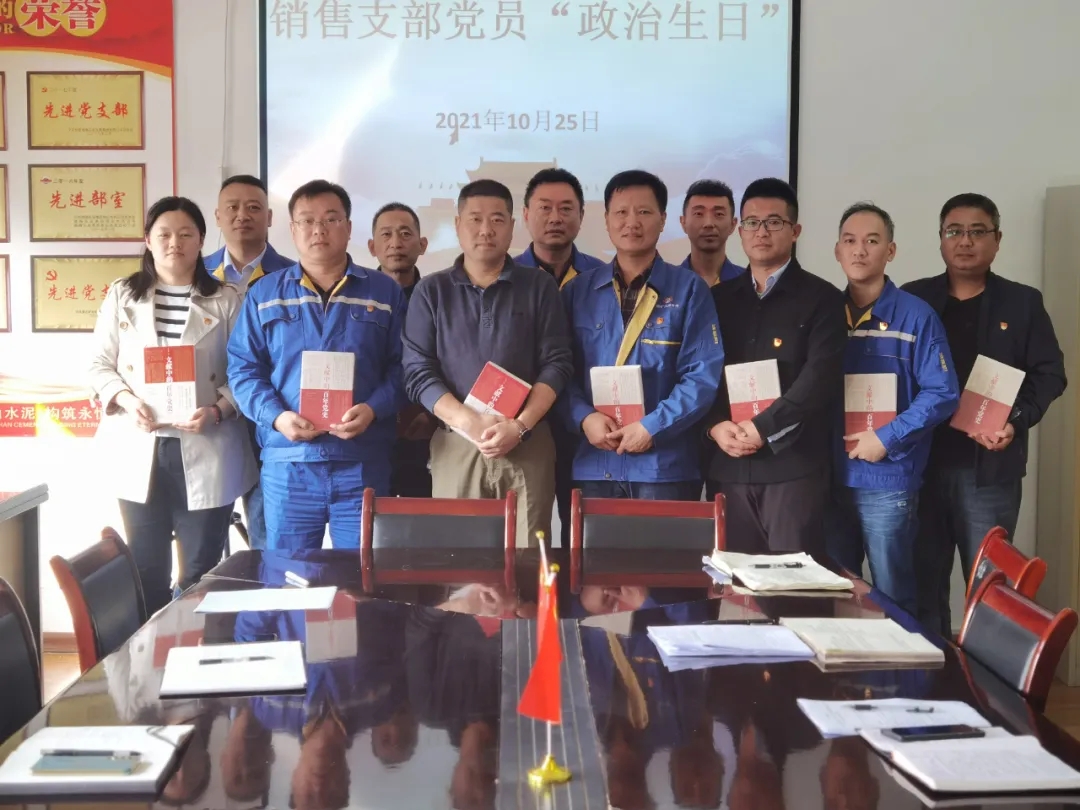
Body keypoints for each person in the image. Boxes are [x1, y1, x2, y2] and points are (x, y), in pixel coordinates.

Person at [904, 193, 1066, 635]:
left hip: (988, 471)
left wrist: (1016, 419)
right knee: (921, 586)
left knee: (991, 592)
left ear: (997, 240)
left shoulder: (1022, 303)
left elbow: (1051, 374)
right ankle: (933, 670)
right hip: (919, 467)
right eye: (954, 231)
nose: (965, 241)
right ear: (940, 239)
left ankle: (983, 677)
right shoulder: (914, 298)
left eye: (978, 232)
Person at [89, 196, 257, 615]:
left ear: (201, 240)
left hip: (207, 444)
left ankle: (196, 645)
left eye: (186, 234)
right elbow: (98, 364)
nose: (174, 243)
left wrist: (218, 409)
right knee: (146, 566)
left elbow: (248, 370)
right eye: (164, 234)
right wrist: (127, 399)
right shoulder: (123, 295)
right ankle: (152, 649)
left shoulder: (227, 298)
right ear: (148, 240)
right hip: (139, 446)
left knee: (201, 568)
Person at [227, 179, 406, 550]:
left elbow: (404, 367)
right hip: (288, 464)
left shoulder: (384, 292)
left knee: (363, 574)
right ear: (292, 229)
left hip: (362, 461)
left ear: (349, 227)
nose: (318, 230)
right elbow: (243, 369)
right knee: (290, 573)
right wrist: (277, 417)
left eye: (330, 219)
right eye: (307, 221)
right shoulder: (264, 294)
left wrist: (373, 409)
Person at [402, 179, 573, 546]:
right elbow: (417, 372)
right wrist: (470, 422)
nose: (485, 229)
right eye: (475, 219)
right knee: (461, 561)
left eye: (497, 219)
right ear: (457, 224)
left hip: (527, 442)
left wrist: (520, 426)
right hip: (456, 442)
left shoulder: (539, 287)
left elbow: (557, 364)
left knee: (530, 558)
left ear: (512, 226)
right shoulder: (431, 291)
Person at [827, 202, 959, 615]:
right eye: (850, 240)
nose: (859, 250)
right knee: (834, 594)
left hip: (887, 480)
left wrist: (886, 438)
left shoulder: (917, 316)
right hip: (827, 478)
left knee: (893, 596)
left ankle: (900, 660)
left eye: (872, 241)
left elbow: (942, 392)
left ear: (891, 250)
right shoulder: (823, 312)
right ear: (837, 250)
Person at [561, 169, 724, 501]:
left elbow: (702, 375)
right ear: (606, 220)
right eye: (621, 212)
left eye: (644, 212)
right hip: (594, 464)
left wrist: (653, 427)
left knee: (663, 540)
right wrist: (584, 418)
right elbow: (559, 370)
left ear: (663, 219)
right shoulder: (577, 292)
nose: (632, 222)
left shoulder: (690, 290)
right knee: (587, 540)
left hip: (664, 467)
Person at [705, 177, 846, 556]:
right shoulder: (717, 300)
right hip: (728, 467)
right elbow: (700, 373)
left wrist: (762, 427)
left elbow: (818, 379)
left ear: (795, 231)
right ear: (738, 229)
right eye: (752, 222)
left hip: (794, 470)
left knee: (793, 582)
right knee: (733, 583)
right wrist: (715, 425)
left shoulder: (823, 299)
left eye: (774, 222)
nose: (761, 232)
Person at [205, 174, 295, 549]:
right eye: (233, 207)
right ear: (217, 216)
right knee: (205, 537)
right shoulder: (195, 274)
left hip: (268, 415)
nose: (242, 215)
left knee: (265, 532)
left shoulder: (293, 276)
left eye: (254, 207)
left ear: (269, 217)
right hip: (209, 418)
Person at [516, 167, 605, 546]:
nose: (555, 217)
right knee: (523, 538)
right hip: (521, 427)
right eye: (545, 207)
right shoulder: (505, 277)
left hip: (586, 428)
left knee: (580, 536)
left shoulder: (602, 278)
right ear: (525, 214)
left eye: (566, 208)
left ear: (582, 216)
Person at [369, 201, 436, 498]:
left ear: (423, 244)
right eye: (386, 234)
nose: (396, 243)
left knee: (421, 517)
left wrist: (434, 414)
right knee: (369, 518)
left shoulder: (437, 296)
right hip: (369, 429)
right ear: (372, 246)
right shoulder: (356, 298)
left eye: (406, 234)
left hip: (425, 429)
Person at [678, 179, 746, 287]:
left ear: (733, 224)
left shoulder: (751, 284)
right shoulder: (666, 283)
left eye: (719, 214)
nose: (708, 223)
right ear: (683, 222)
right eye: (699, 214)